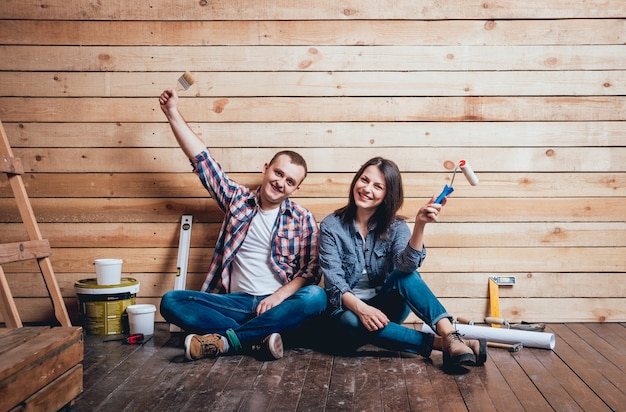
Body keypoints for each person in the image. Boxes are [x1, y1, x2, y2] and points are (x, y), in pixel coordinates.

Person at [157, 89, 327, 361]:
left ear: (295, 190)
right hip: (234, 303)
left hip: (277, 304)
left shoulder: (303, 219)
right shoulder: (236, 199)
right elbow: (203, 162)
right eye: (278, 173)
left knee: (315, 297)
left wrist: (279, 297)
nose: (281, 182)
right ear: (266, 168)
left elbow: (311, 271)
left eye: (290, 181)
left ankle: (227, 341)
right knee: (171, 301)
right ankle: (254, 340)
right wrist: (172, 113)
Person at [318, 157, 487, 368]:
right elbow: (334, 285)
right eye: (364, 180)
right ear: (356, 181)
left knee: (405, 275)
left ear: (387, 195)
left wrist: (420, 225)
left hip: (385, 309)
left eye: (378, 186)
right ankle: (443, 345)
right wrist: (362, 310)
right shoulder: (331, 226)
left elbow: (407, 265)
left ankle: (450, 334)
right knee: (350, 321)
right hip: (347, 313)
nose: (367, 189)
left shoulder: (395, 226)